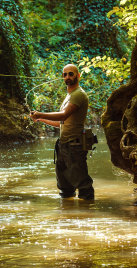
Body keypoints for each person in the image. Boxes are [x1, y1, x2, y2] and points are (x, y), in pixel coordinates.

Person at [30, 64, 94, 200]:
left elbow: (63, 115)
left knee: (84, 186)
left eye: (71, 74)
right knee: (65, 188)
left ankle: (88, 216)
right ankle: (66, 217)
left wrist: (40, 113)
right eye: (65, 75)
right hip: (63, 145)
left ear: (78, 76)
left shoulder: (78, 95)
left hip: (75, 146)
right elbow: (61, 123)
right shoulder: (69, 96)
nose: (67, 77)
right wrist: (40, 118)